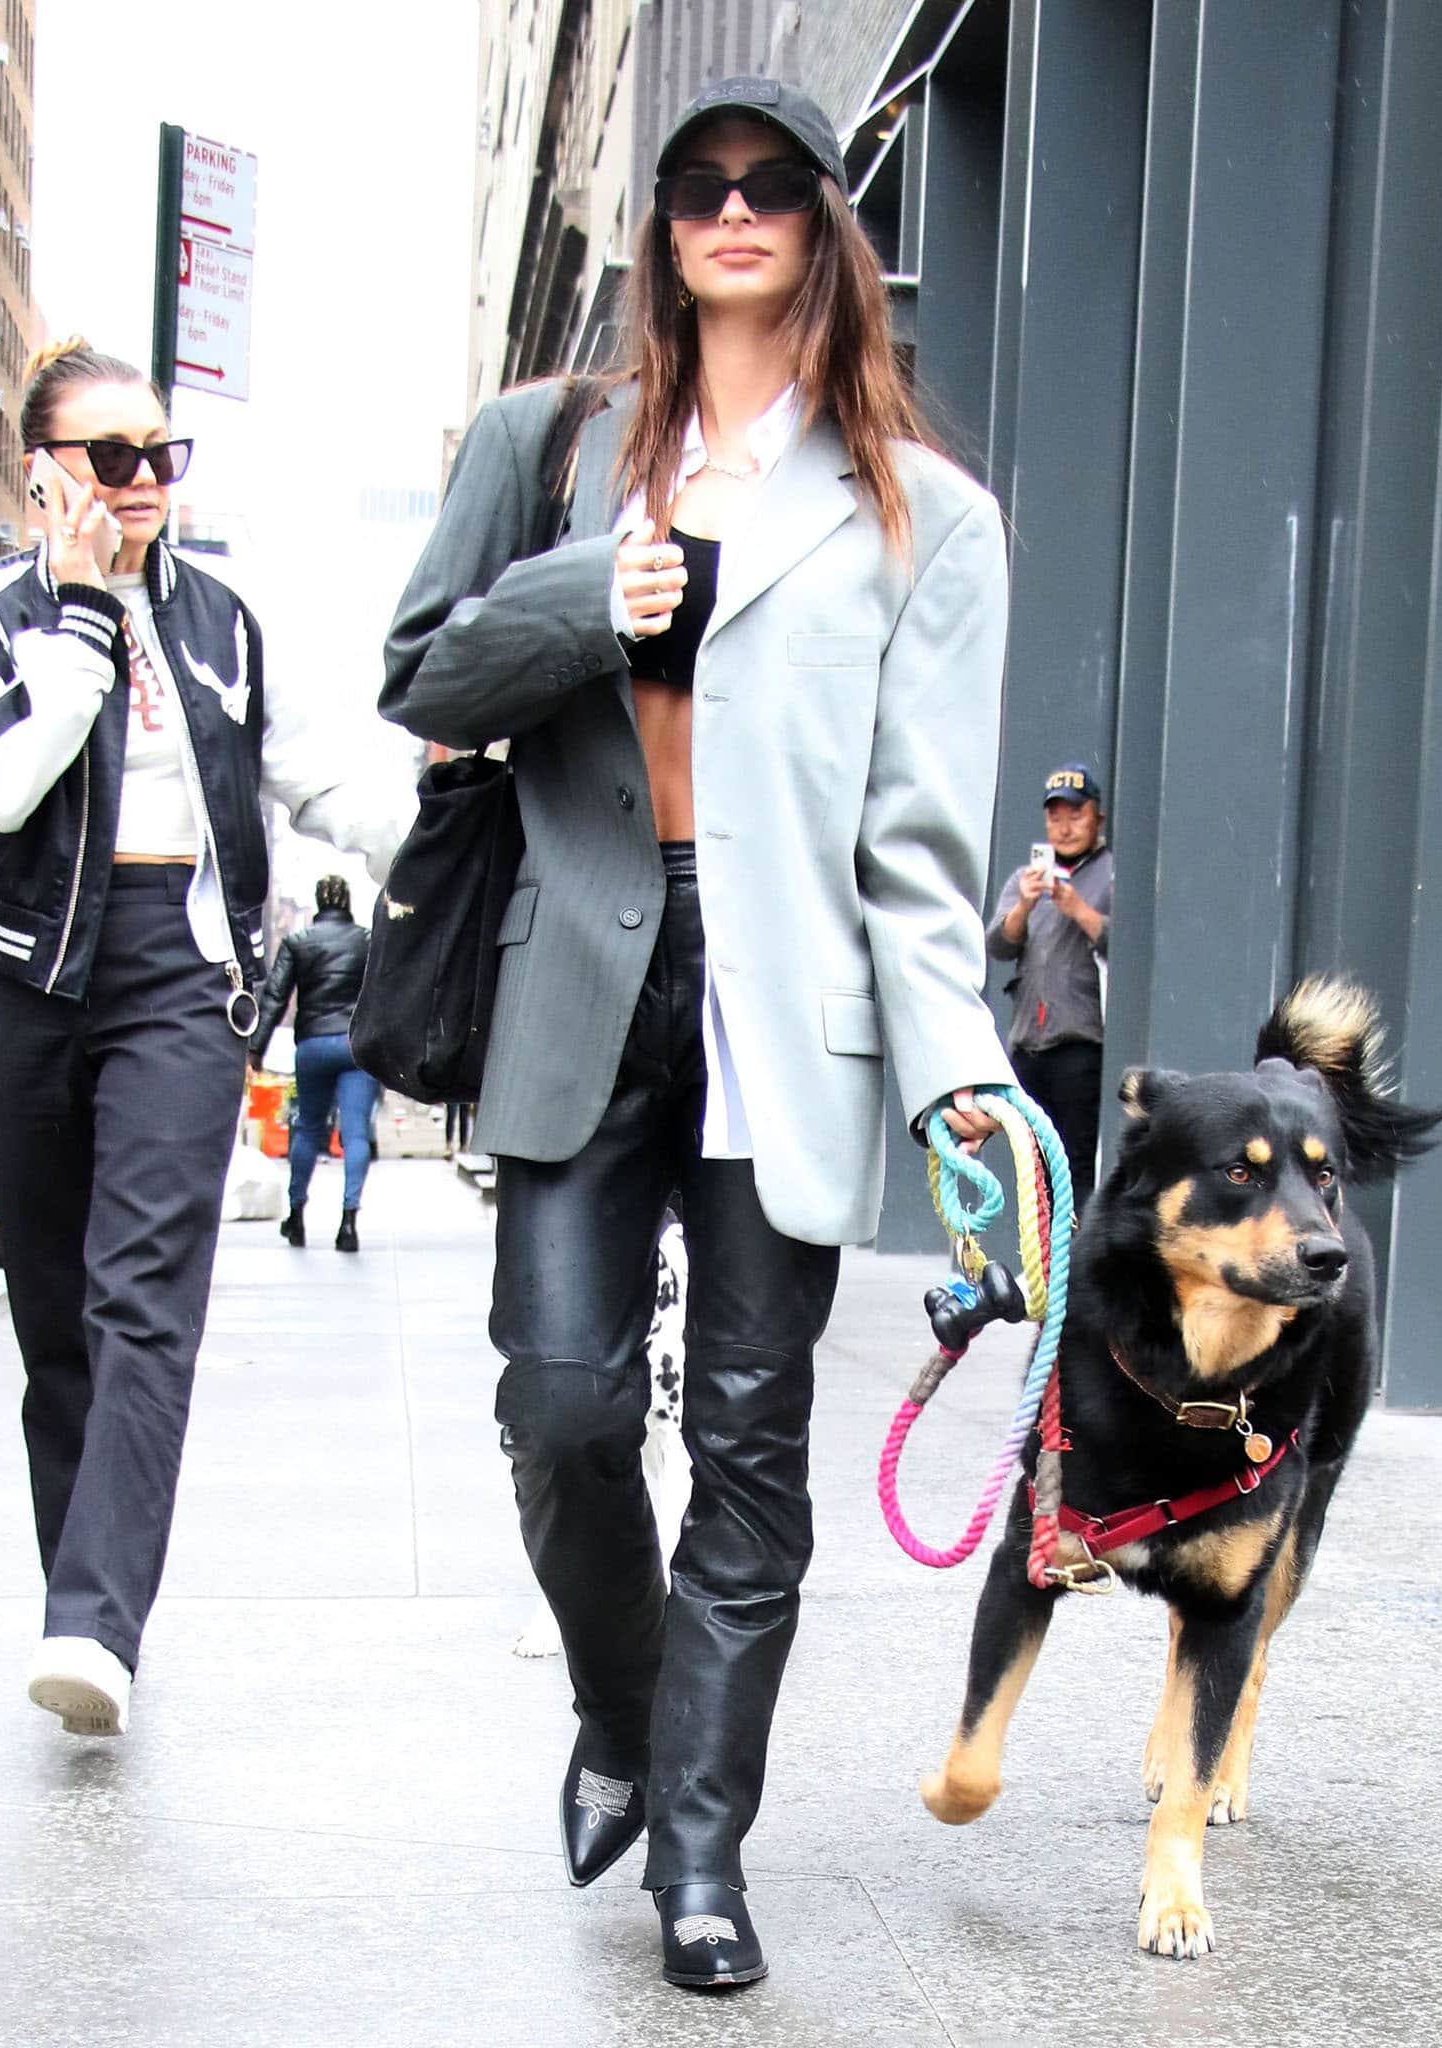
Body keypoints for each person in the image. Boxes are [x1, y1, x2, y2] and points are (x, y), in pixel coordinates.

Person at [381, 77, 1013, 1991]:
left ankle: (701, 1855)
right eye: (693, 186)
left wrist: (961, 1073)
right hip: (584, 971)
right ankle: (622, 1711)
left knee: (746, 1449)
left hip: (781, 1015)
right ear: (659, 225)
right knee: (563, 1409)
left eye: (767, 185)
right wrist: (591, 597)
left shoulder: (927, 515)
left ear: (825, 218)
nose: (728, 212)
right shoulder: (548, 444)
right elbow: (418, 666)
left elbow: (913, 852)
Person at [0, 339, 407, 1740]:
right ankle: (84, 1592)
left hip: (181, 967)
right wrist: (85, 634)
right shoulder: (5, 619)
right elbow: (2, 792)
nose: (146, 480)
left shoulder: (227, 621)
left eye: (163, 452)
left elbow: (321, 778)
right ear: (42, 473)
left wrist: (458, 828)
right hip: (21, 971)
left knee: (142, 1298)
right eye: (112, 458)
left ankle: (96, 1623)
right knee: (55, 1324)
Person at [985, 762, 1113, 1213]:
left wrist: (1076, 907)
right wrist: (1024, 904)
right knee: (1032, 1169)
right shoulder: (1027, 879)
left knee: (1075, 1167)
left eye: (1076, 814)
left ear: (1098, 818)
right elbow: (998, 944)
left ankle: (1074, 1267)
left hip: (1080, 1046)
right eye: (1055, 816)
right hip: (1028, 1045)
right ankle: (1040, 1261)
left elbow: (1125, 943)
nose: (1065, 826)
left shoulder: (1112, 873)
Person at [249, 873, 381, 1251]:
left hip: (312, 1045)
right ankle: (349, 1221)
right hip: (356, 1046)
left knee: (307, 1129)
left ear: (319, 902)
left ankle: (296, 1216)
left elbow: (274, 997)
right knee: (355, 1133)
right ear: (347, 901)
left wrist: (256, 1048)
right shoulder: (366, 941)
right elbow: (386, 992)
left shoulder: (297, 942)